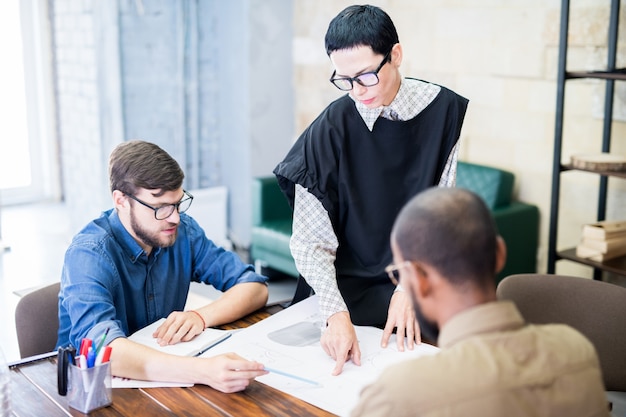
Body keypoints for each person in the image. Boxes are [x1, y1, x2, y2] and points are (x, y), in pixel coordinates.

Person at [273, 4, 468, 375]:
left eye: (365, 76)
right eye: (343, 79)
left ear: (395, 55)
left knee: (438, 370)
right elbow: (309, 241)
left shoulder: (442, 113)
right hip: (345, 286)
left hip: (415, 275)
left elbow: (440, 220)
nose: (356, 91)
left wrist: (407, 290)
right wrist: (334, 312)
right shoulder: (330, 128)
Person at [350, 187, 610, 417]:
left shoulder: (398, 396)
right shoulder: (578, 352)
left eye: (399, 273)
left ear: (419, 280)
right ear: (500, 254)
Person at [57, 140, 270, 393]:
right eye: (160, 208)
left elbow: (255, 287)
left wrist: (199, 316)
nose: (175, 217)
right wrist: (204, 371)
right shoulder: (88, 254)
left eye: (178, 203)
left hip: (164, 379)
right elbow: (102, 348)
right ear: (121, 200)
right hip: (90, 392)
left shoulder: (183, 232)